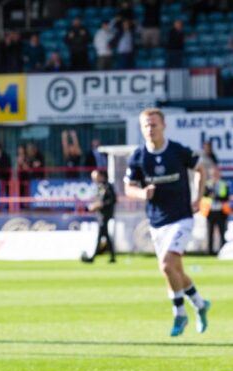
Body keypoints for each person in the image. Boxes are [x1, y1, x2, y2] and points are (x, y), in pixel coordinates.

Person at [125, 108, 210, 336]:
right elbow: (128, 187)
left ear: (163, 126)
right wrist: (143, 193)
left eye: (154, 124)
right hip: (156, 221)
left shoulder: (177, 151)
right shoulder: (138, 156)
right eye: (146, 125)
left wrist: (198, 198)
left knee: (166, 264)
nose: (150, 129)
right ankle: (200, 304)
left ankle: (180, 314)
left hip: (181, 217)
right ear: (141, 129)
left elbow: (200, 169)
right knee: (174, 271)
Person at [84, 169, 116, 263]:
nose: (94, 179)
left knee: (100, 235)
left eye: (95, 177)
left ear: (101, 176)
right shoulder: (99, 187)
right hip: (100, 214)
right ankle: (112, 257)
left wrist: (101, 204)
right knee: (105, 235)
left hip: (105, 214)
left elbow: (112, 200)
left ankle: (93, 257)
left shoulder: (107, 186)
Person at [203, 167, 230, 255]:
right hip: (210, 211)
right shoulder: (207, 184)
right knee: (209, 232)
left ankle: (223, 251)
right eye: (213, 173)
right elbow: (204, 195)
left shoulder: (223, 184)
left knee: (222, 232)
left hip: (221, 211)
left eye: (216, 173)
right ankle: (210, 252)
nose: (214, 175)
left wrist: (216, 197)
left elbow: (226, 197)